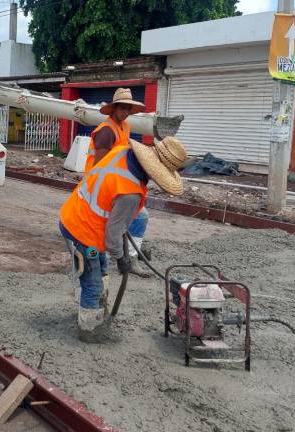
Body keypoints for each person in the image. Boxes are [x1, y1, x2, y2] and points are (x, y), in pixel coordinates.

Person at [59, 136, 188, 342]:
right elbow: (113, 236)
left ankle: (98, 312)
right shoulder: (130, 192)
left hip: (78, 215)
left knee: (100, 269)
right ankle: (89, 331)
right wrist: (122, 258)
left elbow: (109, 201)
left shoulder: (122, 152)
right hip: (82, 231)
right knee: (92, 282)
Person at [87, 88, 152, 277]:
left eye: (128, 109)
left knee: (137, 217)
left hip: (116, 183)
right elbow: (100, 167)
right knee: (130, 218)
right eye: (122, 108)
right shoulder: (106, 131)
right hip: (101, 185)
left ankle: (128, 257)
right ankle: (112, 259)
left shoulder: (125, 127)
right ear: (114, 108)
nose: (125, 112)